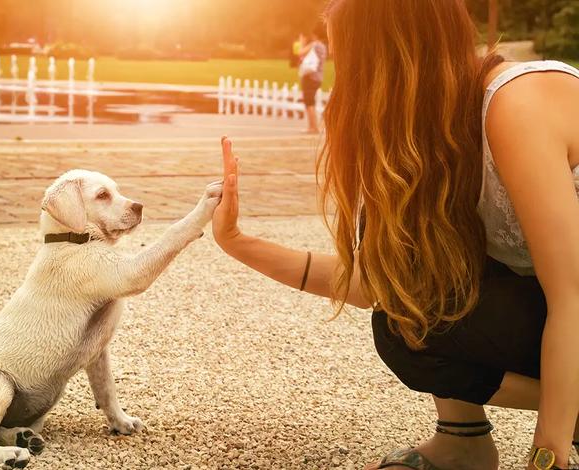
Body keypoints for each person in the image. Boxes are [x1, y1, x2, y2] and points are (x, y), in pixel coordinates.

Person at [211, 0, 579, 468]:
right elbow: (375, 287)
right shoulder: (430, 139)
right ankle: (462, 443)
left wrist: (547, 456)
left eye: (353, 63)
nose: (345, 84)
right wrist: (238, 242)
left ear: (393, 58)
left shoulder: (516, 103)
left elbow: (572, 294)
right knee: (405, 324)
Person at [297, 23, 327, 133]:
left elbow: (300, 53)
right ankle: (313, 127)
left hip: (310, 77)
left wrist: (301, 42)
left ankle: (312, 127)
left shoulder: (315, 45)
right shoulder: (323, 47)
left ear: (315, 34)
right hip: (318, 77)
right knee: (311, 102)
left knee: (309, 103)